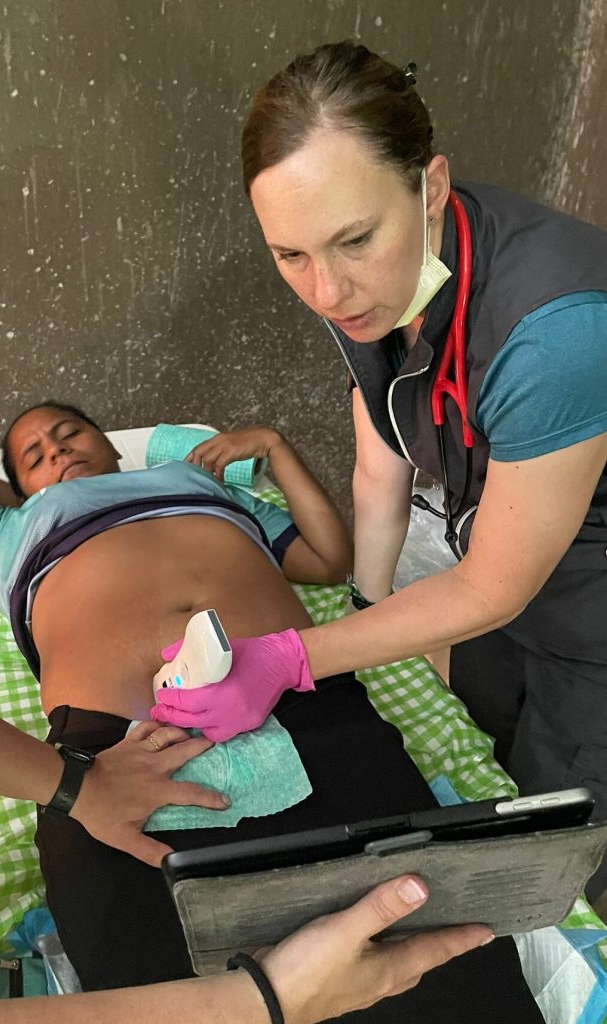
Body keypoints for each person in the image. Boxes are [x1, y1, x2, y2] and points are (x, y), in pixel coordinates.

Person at [0, 6, 495, 1023]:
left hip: (294, 717)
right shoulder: (4, 528)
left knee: (438, 974)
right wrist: (255, 1001)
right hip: (117, 732)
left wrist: (73, 784)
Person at [0, 402, 544, 1021]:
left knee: (433, 967)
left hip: (309, 713)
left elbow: (326, 562)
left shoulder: (199, 482)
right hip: (116, 767)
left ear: (109, 443)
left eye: (68, 432)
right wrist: (28, 498)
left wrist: (274, 449)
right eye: (32, 455)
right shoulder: (1, 534)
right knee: (171, 993)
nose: (57, 448)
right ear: (12, 487)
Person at [151, 40, 607, 909]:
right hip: (512, 582)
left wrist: (292, 658)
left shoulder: (555, 334)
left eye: (355, 239)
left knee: (573, 835)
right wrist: (364, 605)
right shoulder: (365, 288)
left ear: (430, 186)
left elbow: (492, 589)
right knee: (496, 740)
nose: (325, 289)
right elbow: (380, 457)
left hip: (584, 612)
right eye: (290, 256)